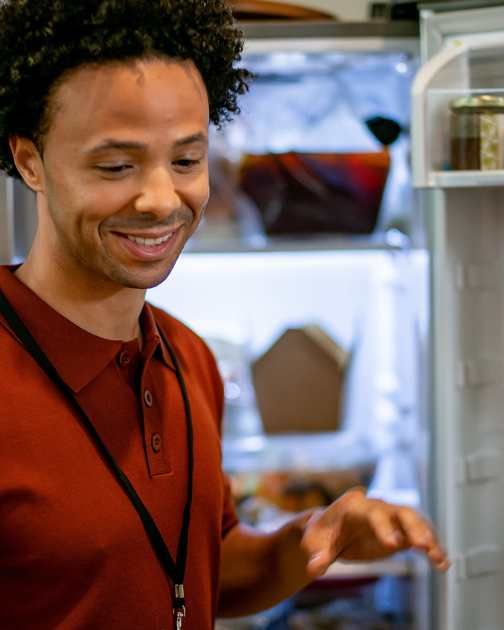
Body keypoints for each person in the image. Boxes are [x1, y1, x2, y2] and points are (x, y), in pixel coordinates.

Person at [0, 2, 447, 628]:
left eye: (186, 160)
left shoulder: (186, 358)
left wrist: (319, 538)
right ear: (29, 162)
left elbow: (201, 571)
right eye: (115, 166)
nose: (162, 199)